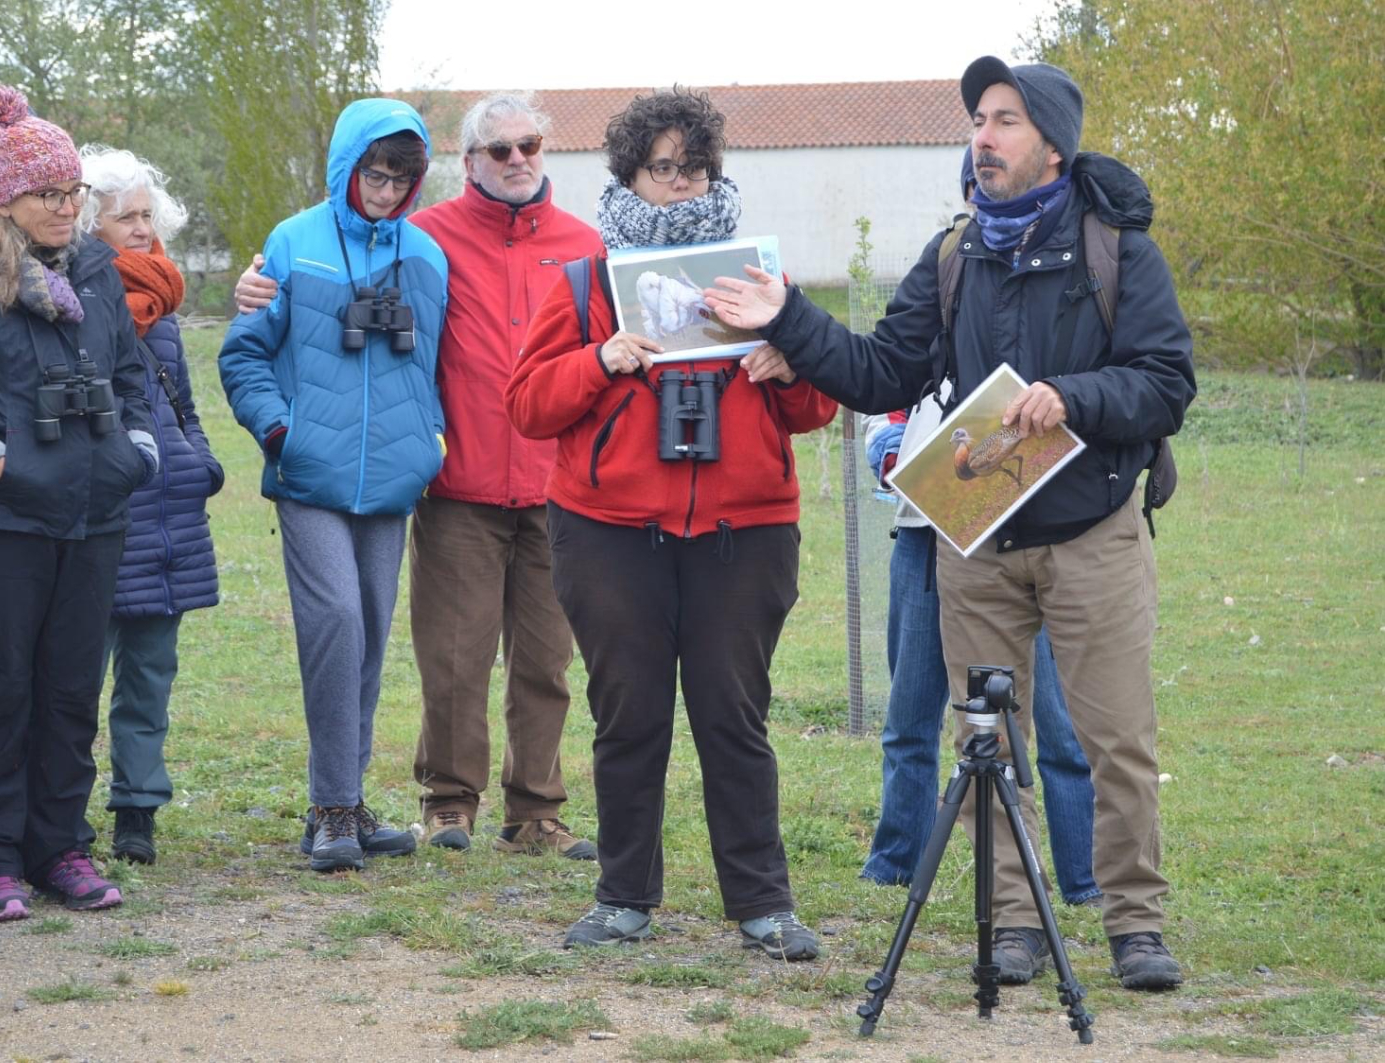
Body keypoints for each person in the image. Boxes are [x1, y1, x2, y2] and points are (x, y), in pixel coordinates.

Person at [704, 57, 1195, 989]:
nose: (982, 137)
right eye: (977, 119)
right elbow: (880, 371)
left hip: (1092, 530)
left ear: (1051, 145)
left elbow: (1166, 382)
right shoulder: (952, 255)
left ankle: (1135, 925)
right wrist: (788, 315)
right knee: (982, 740)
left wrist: (1073, 397)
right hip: (976, 535)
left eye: (1005, 121)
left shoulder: (1117, 249)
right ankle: (1011, 921)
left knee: (1115, 737)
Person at [505, 87, 839, 960]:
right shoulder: (585, 282)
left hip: (745, 533)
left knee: (734, 715)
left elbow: (815, 411)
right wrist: (598, 360)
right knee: (629, 715)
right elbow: (526, 406)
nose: (682, 184)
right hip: (610, 533)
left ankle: (763, 905)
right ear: (629, 175)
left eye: (695, 168)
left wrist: (786, 361)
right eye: (663, 168)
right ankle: (623, 898)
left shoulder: (762, 283)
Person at [237, 92, 603, 858]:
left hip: (538, 482)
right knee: (444, 654)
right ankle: (434, 803)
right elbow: (260, 333)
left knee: (542, 659)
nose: (516, 159)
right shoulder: (421, 238)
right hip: (437, 483)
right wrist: (278, 406)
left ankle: (533, 810)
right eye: (498, 149)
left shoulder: (573, 245)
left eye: (528, 145)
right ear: (468, 163)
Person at [0, 85, 158, 922]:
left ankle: (60, 846)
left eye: (75, 192)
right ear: (4, 196)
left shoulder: (93, 269)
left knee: (71, 685)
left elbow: (129, 374)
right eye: (50, 194)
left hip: (94, 512)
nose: (67, 208)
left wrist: (137, 451)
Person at [219, 98, 445, 873]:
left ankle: (346, 799)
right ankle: (329, 808)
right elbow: (242, 358)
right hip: (309, 477)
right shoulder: (292, 243)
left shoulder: (424, 257)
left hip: (393, 480)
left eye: (400, 180)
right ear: (347, 167)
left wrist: (431, 441)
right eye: (374, 175)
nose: (384, 192)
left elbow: (435, 364)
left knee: (371, 633)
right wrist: (283, 433)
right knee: (337, 627)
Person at [862, 404, 1099, 905]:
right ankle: (895, 866)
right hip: (924, 536)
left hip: (1018, 540)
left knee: (1056, 725)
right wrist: (894, 451)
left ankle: (1085, 880)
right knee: (909, 716)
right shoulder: (921, 325)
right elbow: (882, 405)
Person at [80, 145, 222, 865]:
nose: (141, 228)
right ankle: (62, 812)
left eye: (146, 213)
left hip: (169, 516)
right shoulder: (73, 295)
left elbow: (184, 405)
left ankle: (138, 809)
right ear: (88, 223)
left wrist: (201, 460)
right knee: (74, 677)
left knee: (148, 677)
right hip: (103, 516)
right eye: (123, 217)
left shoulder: (162, 299)